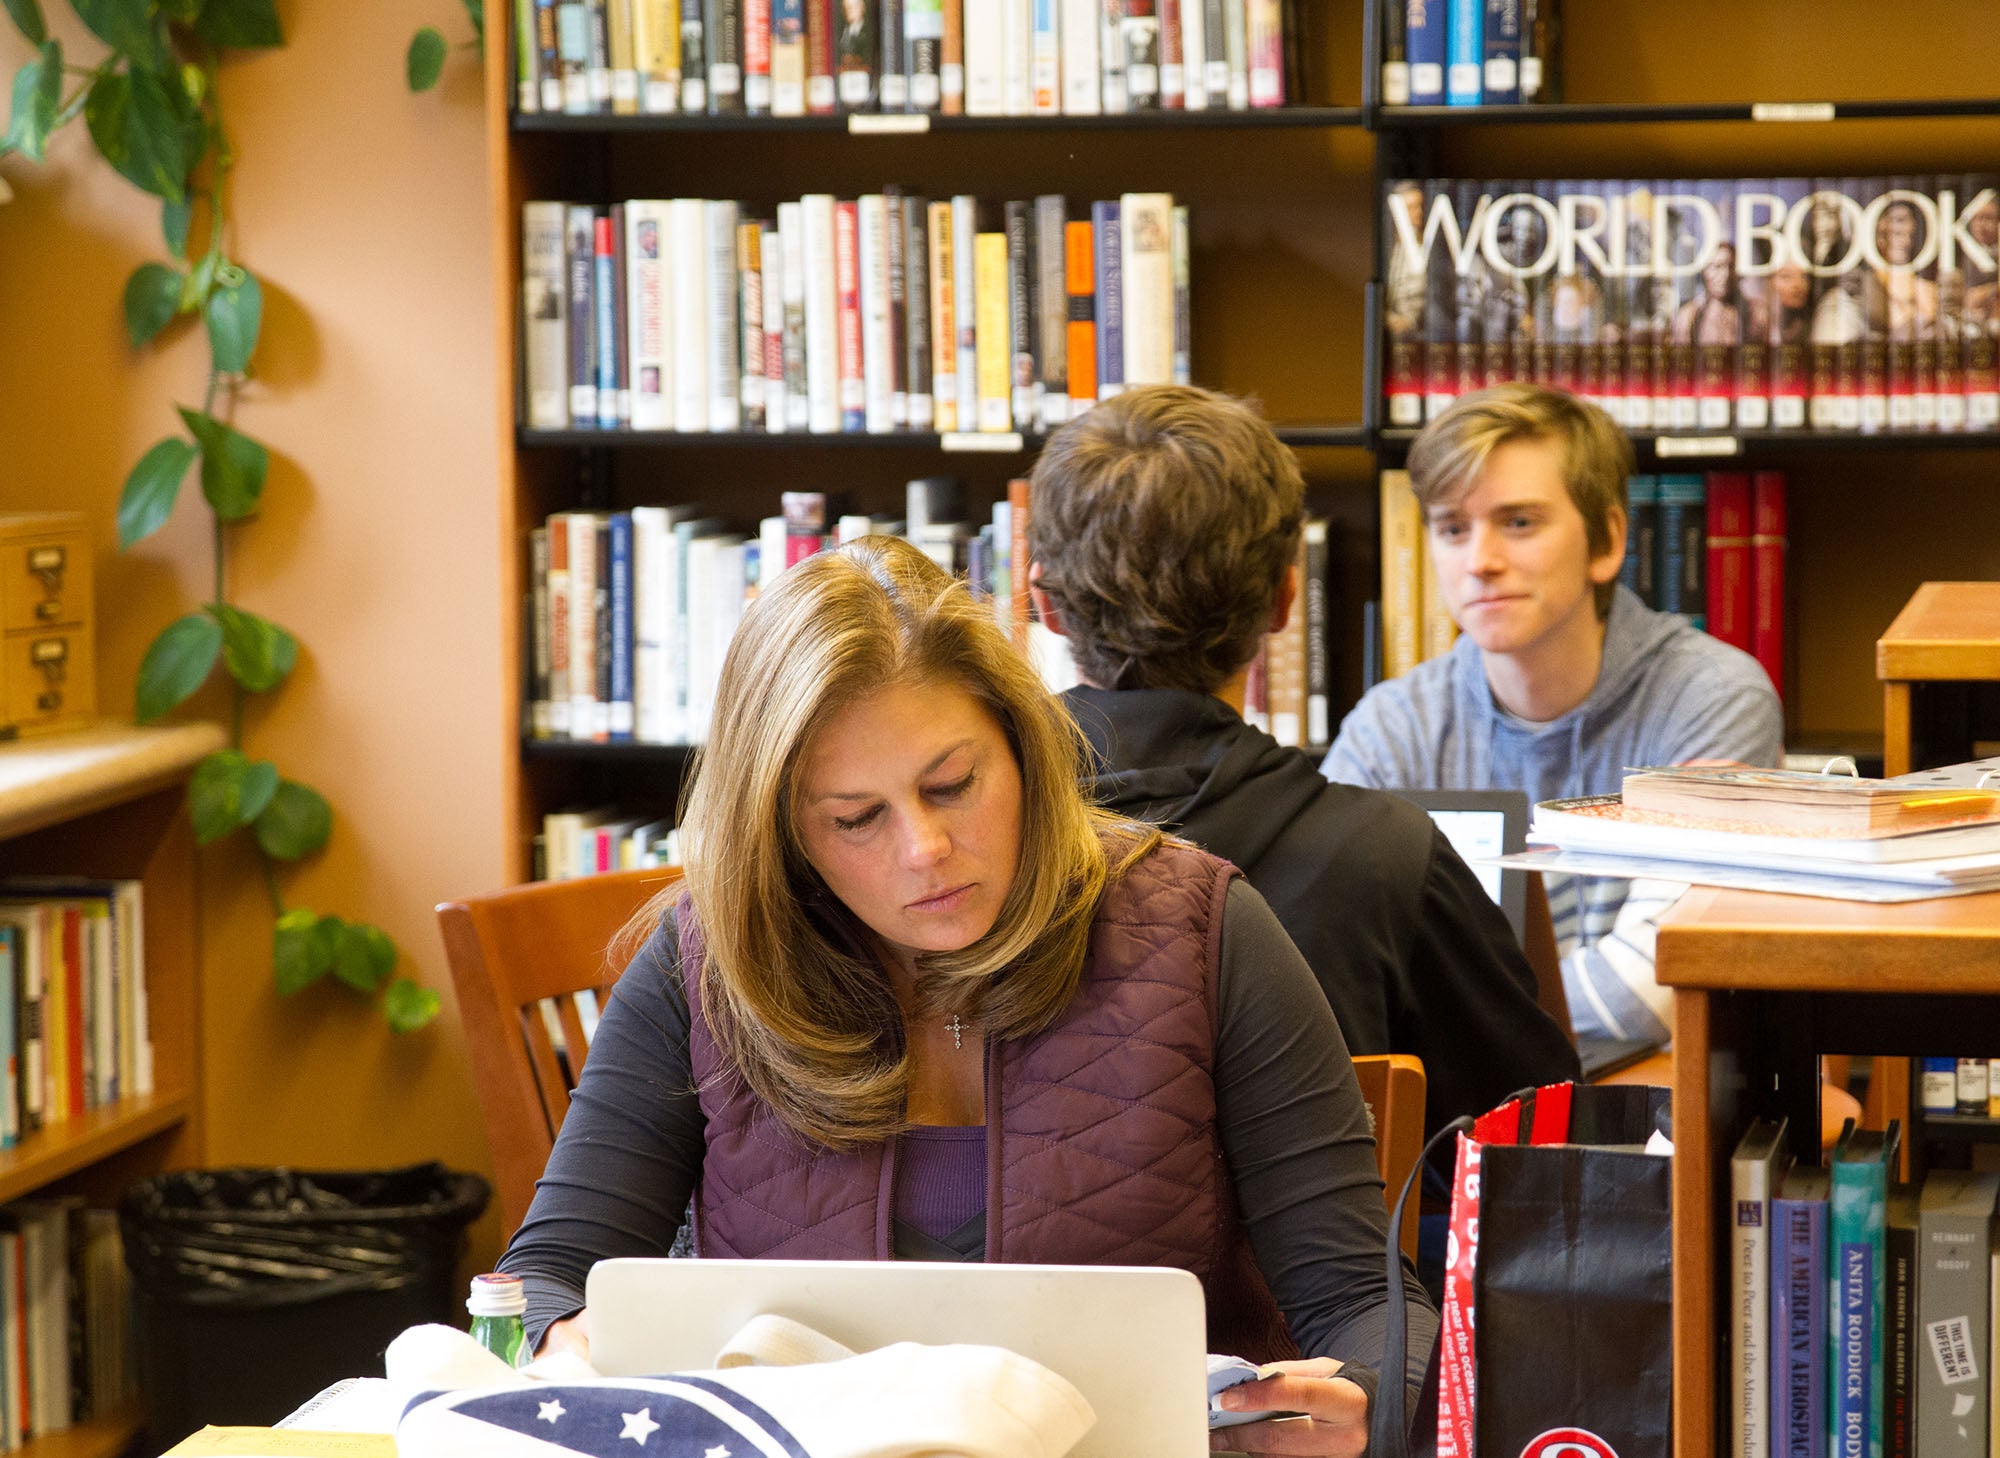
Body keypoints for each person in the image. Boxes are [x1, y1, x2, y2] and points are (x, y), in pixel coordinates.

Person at [499, 535, 1436, 1457]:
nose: (925, 850)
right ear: (783, 832)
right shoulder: (706, 962)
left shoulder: (1203, 931)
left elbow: (1362, 1302)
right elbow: (545, 1277)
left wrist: (1372, 1405)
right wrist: (565, 1347)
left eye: (953, 785)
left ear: (1022, 748)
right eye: (857, 818)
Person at [1023, 384, 1577, 1144]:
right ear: (1287, 597)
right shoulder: (1386, 859)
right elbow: (1538, 1138)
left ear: (1043, 604)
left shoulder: (942, 855)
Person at [1322, 384, 1783, 1048]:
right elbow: (1326, 963)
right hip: (1451, 1122)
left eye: (1519, 522)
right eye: (1453, 528)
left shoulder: (1712, 698)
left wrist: (1449, 1020)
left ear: (1608, 541)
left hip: (1651, 1116)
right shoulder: (1393, 726)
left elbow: (1662, 984)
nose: (1480, 561)